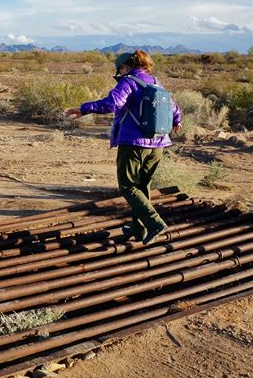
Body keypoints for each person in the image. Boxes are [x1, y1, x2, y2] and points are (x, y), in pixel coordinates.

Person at [66, 50, 182, 245]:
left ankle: (155, 223)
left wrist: (84, 108)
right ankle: (139, 229)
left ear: (124, 67)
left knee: (128, 186)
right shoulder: (155, 81)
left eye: (119, 69)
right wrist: (177, 121)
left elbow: (113, 103)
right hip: (159, 143)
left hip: (134, 143)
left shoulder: (128, 81)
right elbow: (173, 108)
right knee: (142, 186)